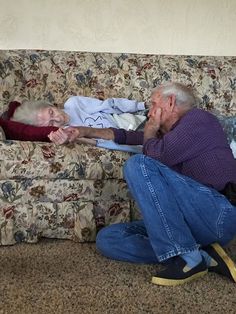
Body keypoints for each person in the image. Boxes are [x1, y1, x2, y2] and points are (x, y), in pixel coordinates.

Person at [55, 82, 236, 286]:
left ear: (170, 102)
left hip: (218, 213)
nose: (150, 112)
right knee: (108, 239)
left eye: (153, 104)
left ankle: (190, 259)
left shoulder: (199, 119)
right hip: (189, 224)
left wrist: (150, 130)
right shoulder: (167, 136)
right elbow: (126, 136)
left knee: (139, 164)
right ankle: (202, 253)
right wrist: (81, 131)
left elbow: (155, 155)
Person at [11, 96, 147, 130]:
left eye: (51, 113)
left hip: (126, 122)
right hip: (121, 139)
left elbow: (109, 105)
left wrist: (141, 105)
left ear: (51, 105)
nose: (58, 119)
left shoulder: (73, 104)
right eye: (51, 123)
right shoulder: (65, 134)